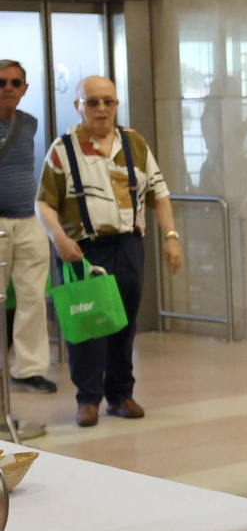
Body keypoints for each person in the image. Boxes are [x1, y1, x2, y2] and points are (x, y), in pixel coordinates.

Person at [37, 76, 185, 428]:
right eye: (93, 102)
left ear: (117, 104)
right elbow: (44, 203)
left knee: (124, 321)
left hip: (128, 244)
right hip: (81, 249)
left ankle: (120, 395)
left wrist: (171, 236)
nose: (101, 109)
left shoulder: (133, 142)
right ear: (79, 106)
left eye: (108, 101)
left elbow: (158, 194)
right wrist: (58, 238)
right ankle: (87, 399)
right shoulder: (63, 148)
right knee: (86, 323)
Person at [2, 60, 55, 399]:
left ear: (25, 89)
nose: (8, 88)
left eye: (15, 83)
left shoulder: (31, 124)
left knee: (33, 298)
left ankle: (29, 369)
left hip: (28, 220)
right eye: (1, 82)